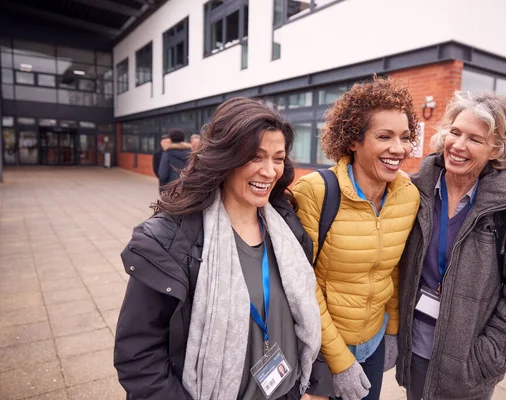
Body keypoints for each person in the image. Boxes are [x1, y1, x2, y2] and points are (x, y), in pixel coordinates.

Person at [114, 97, 331, 400]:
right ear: (225, 157)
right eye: (256, 156)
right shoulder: (170, 243)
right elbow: (139, 354)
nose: (269, 171)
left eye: (278, 158)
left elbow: (306, 311)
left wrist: (318, 385)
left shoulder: (287, 227)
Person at [394, 91, 506, 400]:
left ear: (496, 150)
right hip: (412, 351)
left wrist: (485, 361)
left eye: (475, 139)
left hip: (466, 370)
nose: (459, 145)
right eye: (455, 132)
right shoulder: (410, 191)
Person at [293, 77, 420, 400]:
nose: (399, 148)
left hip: (375, 341)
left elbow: (392, 268)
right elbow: (302, 285)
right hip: (322, 348)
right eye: (384, 136)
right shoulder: (316, 192)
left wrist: (391, 332)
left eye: (405, 137)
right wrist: (340, 362)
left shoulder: (408, 196)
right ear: (353, 140)